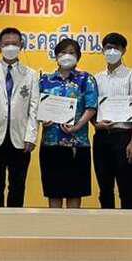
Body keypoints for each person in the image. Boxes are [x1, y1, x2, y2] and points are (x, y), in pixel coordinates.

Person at [0, 27, 39, 207]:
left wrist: (31, 136)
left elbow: (34, 108)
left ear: (21, 46)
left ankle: (16, 222)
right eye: (6, 44)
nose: (10, 47)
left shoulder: (31, 75)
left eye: (14, 44)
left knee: (17, 186)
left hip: (21, 139)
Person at [38, 37, 97, 208]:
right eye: (63, 52)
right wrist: (43, 119)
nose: (67, 56)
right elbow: (36, 107)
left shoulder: (86, 79)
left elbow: (91, 107)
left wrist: (78, 126)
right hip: (51, 143)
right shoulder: (45, 80)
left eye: (71, 53)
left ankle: (73, 225)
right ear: (56, 56)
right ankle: (54, 225)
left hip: (77, 143)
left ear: (78, 57)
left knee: (75, 191)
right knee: (53, 191)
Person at [92, 32, 132, 209]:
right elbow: (91, 108)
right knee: (104, 188)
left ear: (123, 50)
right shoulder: (97, 78)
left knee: (127, 187)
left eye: (116, 48)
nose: (112, 51)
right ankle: (106, 224)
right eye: (108, 48)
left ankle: (128, 224)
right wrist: (95, 124)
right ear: (102, 50)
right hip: (101, 137)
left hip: (124, 136)